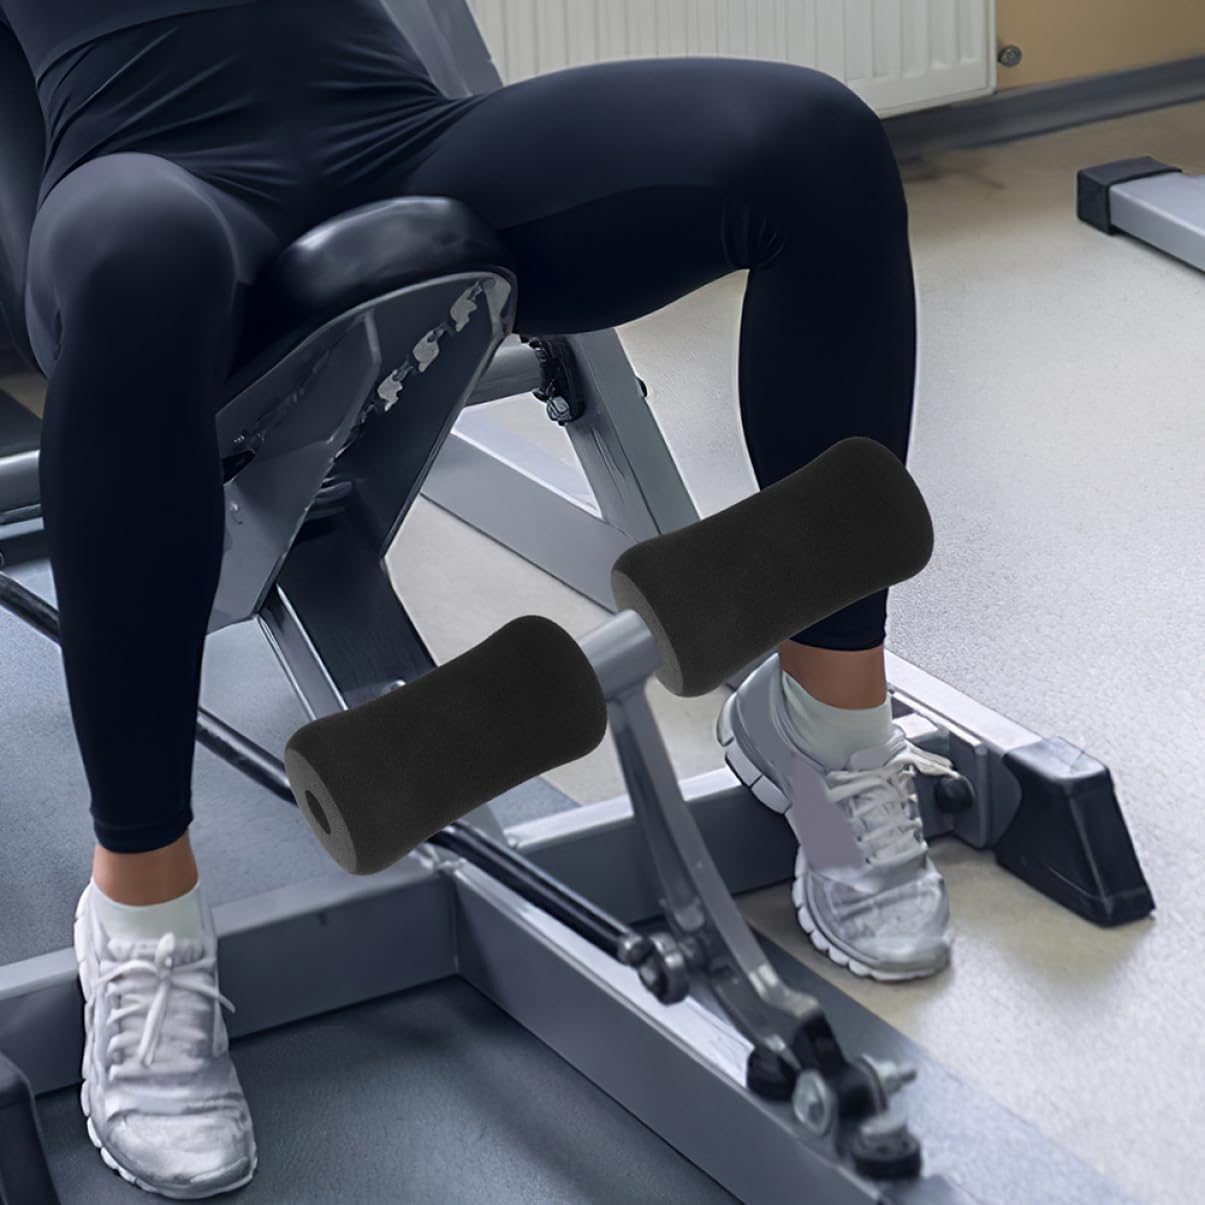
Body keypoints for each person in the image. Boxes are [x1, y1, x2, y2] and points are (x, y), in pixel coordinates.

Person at [0, 0, 956, 1196]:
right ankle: (142, 917)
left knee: (817, 143)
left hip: (397, 134)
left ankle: (825, 719)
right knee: (138, 263)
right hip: (147, 174)